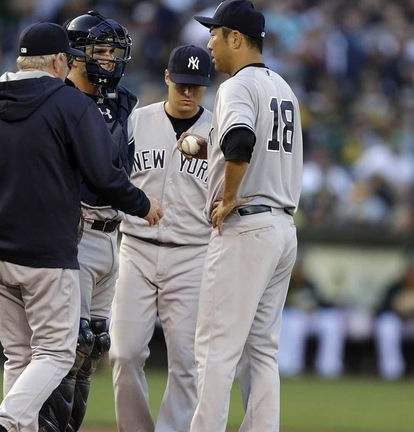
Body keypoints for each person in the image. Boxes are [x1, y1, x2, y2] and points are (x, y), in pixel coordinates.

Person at [0, 22, 161, 432]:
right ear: (61, 61)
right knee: (57, 355)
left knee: (19, 356)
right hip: (46, 254)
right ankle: (2, 425)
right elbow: (103, 176)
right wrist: (142, 204)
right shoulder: (71, 104)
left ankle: (14, 427)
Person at [185, 1, 304, 430]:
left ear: (236, 38)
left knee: (215, 349)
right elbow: (235, 141)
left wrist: (229, 195)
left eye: (214, 34)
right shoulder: (284, 88)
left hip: (247, 225)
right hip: (281, 228)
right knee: (261, 351)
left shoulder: (236, 87)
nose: (209, 43)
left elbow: (240, 141)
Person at [38, 12, 145, 432]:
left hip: (113, 233)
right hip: (74, 229)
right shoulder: (57, 100)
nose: (108, 59)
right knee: (71, 343)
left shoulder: (124, 104)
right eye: (99, 50)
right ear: (76, 53)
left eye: (113, 52)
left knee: (96, 343)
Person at [108, 44, 214, 432]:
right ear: (167, 78)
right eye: (182, 83)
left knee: (186, 360)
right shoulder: (137, 122)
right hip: (136, 248)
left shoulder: (218, 131)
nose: (188, 93)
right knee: (124, 353)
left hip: (192, 255)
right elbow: (112, 180)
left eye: (196, 86)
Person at [278, 256, 345, 378]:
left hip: (310, 317)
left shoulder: (309, 283)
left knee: (331, 322)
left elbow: (319, 301)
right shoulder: (286, 283)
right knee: (294, 322)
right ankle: (288, 365)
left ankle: (329, 366)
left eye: (300, 268)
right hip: (290, 317)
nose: (299, 271)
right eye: (296, 268)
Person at [374, 257, 414, 380]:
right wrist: (399, 310)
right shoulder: (395, 287)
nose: (411, 275)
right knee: (387, 325)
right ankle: (392, 371)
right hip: (401, 323)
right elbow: (381, 309)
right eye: (409, 271)